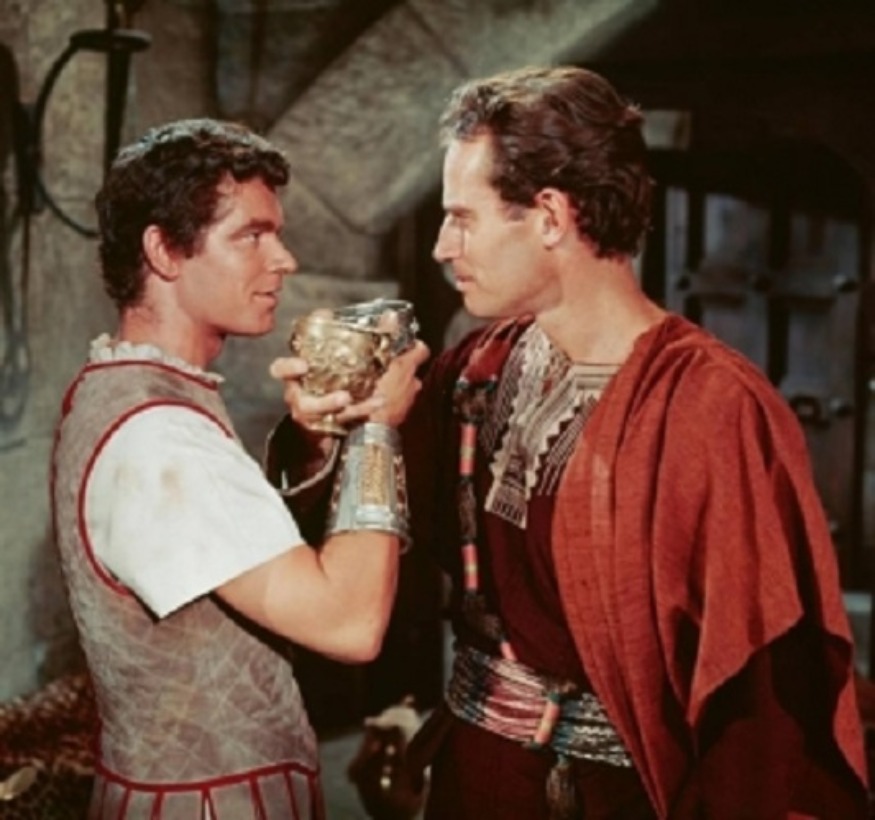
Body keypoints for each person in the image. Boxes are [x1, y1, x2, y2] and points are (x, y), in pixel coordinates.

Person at [270, 66, 869, 818]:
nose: (443, 247)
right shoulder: (478, 367)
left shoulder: (711, 405)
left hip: (623, 797)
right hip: (477, 783)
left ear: (550, 216)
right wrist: (327, 431)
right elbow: (377, 547)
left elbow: (760, 691)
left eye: (463, 219)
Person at [50, 118, 427, 819]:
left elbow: (232, 549)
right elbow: (350, 624)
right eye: (251, 235)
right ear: (164, 250)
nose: (283, 259)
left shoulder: (133, 390)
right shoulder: (160, 437)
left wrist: (314, 440)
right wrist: (377, 428)